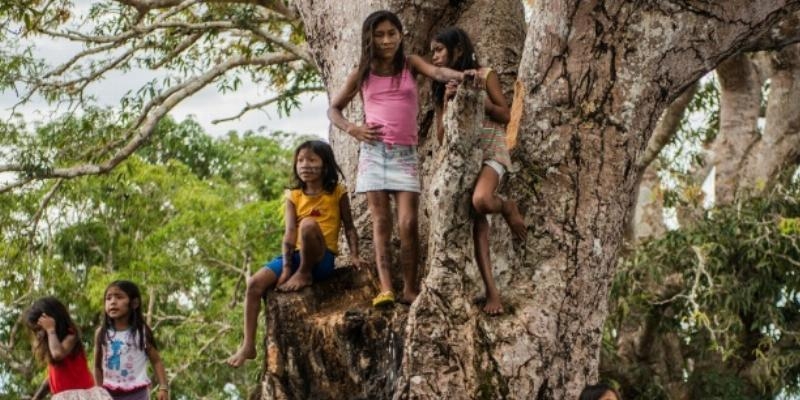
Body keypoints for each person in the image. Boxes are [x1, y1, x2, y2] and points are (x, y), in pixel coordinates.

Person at [328, 10, 475, 308]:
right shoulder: (362, 72)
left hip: (405, 154)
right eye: (379, 35)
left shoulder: (411, 64)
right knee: (381, 222)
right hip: (374, 153)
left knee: (408, 222)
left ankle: (410, 288)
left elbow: (437, 73)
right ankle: (386, 289)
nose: (386, 40)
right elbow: (334, 110)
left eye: (391, 34)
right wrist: (353, 129)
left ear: (400, 35)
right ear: (369, 38)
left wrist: (466, 76)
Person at [227, 139, 366, 367]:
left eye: (312, 160)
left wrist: (354, 255)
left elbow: (349, 227)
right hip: (296, 256)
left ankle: (305, 273)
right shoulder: (293, 195)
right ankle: (248, 345)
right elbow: (290, 232)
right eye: (300, 160)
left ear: (325, 165)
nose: (305, 165)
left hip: (321, 258)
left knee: (309, 225)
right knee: (253, 284)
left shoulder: (337, 192)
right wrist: (286, 268)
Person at [430, 27, 527, 315]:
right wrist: (449, 101)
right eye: (432, 52)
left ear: (457, 50)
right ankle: (491, 293)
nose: (434, 57)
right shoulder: (440, 87)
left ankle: (507, 206)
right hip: (462, 160)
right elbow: (440, 137)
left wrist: (475, 98)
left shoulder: (485, 76)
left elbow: (506, 114)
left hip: (490, 151)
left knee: (482, 201)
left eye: (439, 50)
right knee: (477, 225)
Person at [25, 297, 112, 400]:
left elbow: (58, 354)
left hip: (79, 395)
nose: (39, 334)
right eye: (36, 331)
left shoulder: (71, 336)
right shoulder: (52, 347)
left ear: (54, 320)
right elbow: (52, 379)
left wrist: (50, 330)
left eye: (40, 329)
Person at [94, 280, 169, 400]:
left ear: (134, 303)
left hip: (137, 394)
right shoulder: (101, 333)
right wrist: (98, 392)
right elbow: (97, 367)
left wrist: (163, 387)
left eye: (119, 297)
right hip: (108, 394)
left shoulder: (142, 332)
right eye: (108, 298)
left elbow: (156, 361)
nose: (112, 302)